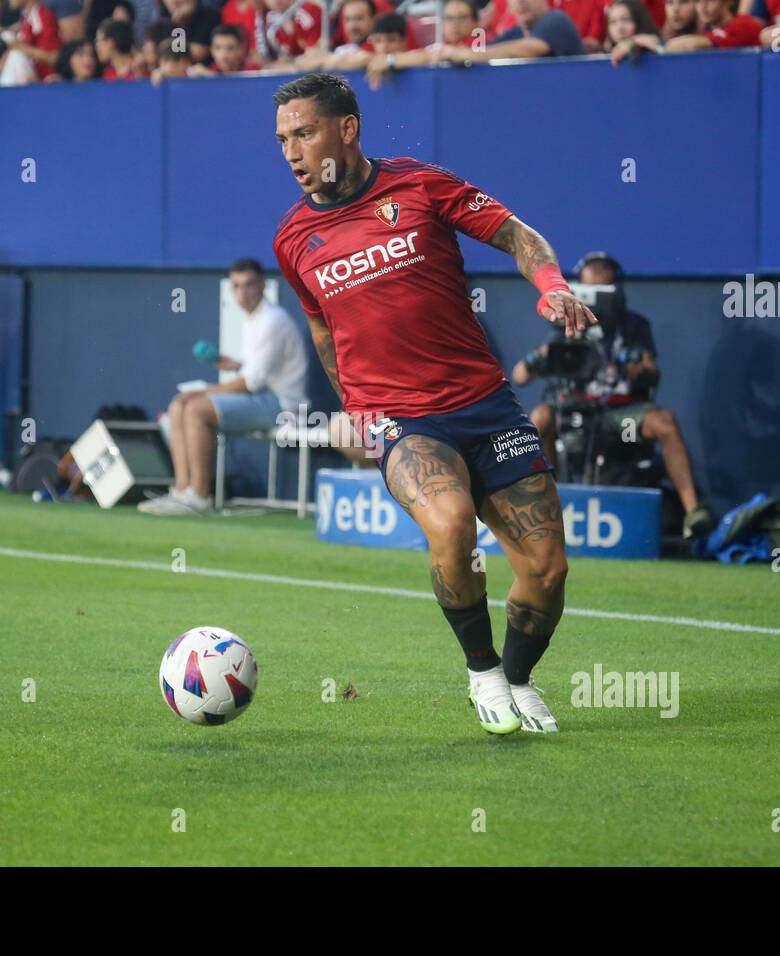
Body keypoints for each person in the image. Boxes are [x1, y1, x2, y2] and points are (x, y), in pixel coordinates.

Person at [272, 74, 596, 736]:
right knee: (449, 522)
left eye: (304, 133)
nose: (292, 153)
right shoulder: (292, 240)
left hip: (485, 406)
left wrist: (552, 286)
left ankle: (518, 678)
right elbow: (323, 333)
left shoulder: (421, 186)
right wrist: (357, 407)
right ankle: (481, 670)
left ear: (347, 129)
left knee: (547, 569)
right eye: (282, 140)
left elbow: (515, 234)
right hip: (402, 419)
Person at [511, 252, 713, 540]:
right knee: (540, 417)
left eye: (603, 289)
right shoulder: (567, 323)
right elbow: (519, 375)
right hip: (574, 410)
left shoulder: (634, 326)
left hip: (620, 414)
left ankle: (693, 512)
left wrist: (632, 365)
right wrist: (543, 356)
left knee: (664, 421)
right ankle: (545, 508)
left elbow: (652, 373)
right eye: (589, 289)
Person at [139, 258, 308, 515]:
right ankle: (182, 491)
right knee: (178, 405)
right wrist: (236, 365)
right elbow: (255, 371)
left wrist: (203, 392)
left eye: (249, 285)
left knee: (195, 408)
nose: (242, 293)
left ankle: (199, 495)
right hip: (264, 397)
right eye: (237, 286)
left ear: (263, 285)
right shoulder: (253, 320)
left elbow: (252, 383)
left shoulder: (273, 320)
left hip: (283, 406)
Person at [431, 0, 586, 64]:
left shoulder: (556, 20)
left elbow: (530, 48)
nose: (520, 2)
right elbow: (486, 51)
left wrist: (466, 54)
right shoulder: (516, 33)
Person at [664, 0, 762, 48]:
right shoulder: (704, 31)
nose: (703, 7)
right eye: (698, 1)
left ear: (727, 2)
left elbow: (692, 44)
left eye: (710, 0)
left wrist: (662, 48)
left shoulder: (744, 24)